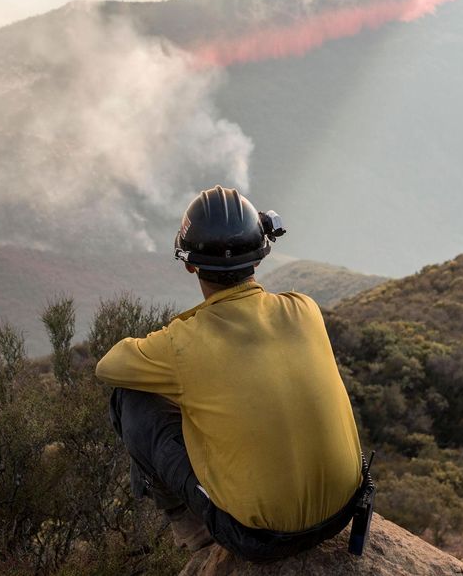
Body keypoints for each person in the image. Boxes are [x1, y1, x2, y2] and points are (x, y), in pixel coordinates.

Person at [95, 185, 369, 562]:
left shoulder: (183, 344)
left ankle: (192, 531)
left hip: (259, 538)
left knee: (129, 397)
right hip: (344, 512)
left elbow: (108, 367)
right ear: (260, 256)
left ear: (189, 263)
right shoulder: (304, 309)